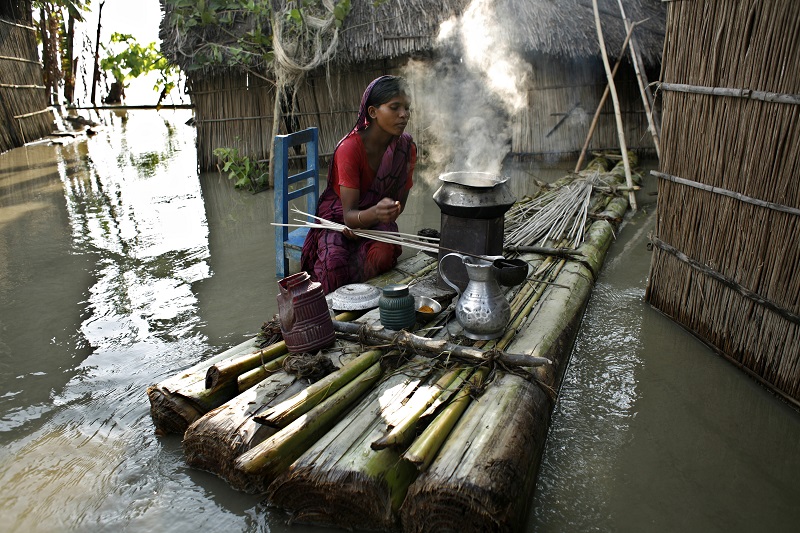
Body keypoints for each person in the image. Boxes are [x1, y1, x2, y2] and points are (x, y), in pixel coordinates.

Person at [301, 75, 417, 294]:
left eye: (407, 108)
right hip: (338, 219)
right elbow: (349, 217)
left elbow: (398, 205)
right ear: (372, 112)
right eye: (394, 107)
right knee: (333, 265)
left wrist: (391, 210)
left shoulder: (406, 148)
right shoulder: (349, 149)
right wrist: (368, 216)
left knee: (382, 255)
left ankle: (370, 304)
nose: (404, 115)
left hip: (374, 219)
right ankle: (335, 312)